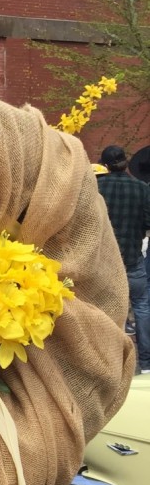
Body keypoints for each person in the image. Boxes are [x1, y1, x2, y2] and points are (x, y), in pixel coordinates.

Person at [96, 144, 150, 374]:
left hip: (104, 262)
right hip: (133, 259)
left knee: (104, 309)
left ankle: (111, 361)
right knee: (142, 307)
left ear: (105, 165)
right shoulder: (141, 188)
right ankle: (146, 362)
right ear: (126, 163)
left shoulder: (96, 187)